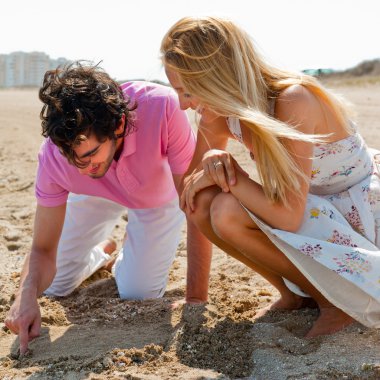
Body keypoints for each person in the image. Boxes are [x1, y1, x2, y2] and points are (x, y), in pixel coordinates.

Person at [160, 16, 380, 338]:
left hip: (356, 208)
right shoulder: (217, 115)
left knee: (227, 209)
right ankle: (296, 295)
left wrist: (232, 173)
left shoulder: (293, 99)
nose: (182, 105)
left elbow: (289, 217)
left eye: (187, 91)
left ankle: (335, 304)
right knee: (208, 202)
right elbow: (191, 201)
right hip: (313, 207)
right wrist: (195, 298)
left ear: (216, 78)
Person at [5, 61, 201, 354]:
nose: (82, 168)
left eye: (91, 153)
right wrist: (26, 295)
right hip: (96, 193)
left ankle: (126, 257)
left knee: (139, 293)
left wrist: (196, 298)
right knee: (54, 285)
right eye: (74, 159)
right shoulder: (58, 158)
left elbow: (194, 205)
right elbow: (42, 249)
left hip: (157, 196)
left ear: (119, 125)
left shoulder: (163, 106)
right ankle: (102, 253)